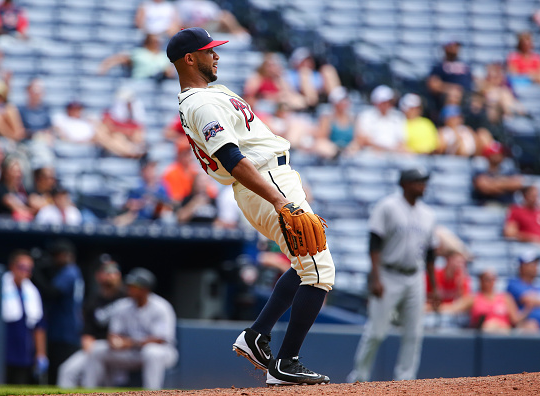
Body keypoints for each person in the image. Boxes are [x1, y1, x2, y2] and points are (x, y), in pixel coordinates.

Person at [167, 27, 334, 385]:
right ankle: (286, 363)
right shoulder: (200, 103)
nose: (217, 56)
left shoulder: (208, 94)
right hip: (263, 181)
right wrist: (280, 200)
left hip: (273, 177)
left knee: (307, 259)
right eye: (209, 51)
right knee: (319, 270)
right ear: (190, 59)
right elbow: (232, 159)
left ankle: (257, 336)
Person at [347, 167, 439, 382]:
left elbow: (431, 254)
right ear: (405, 184)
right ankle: (358, 378)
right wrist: (375, 277)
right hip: (388, 275)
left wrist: (433, 287)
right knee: (377, 332)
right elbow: (374, 243)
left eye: (424, 181)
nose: (423, 185)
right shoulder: (387, 207)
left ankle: (405, 380)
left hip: (415, 277)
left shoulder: (429, 214)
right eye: (418, 181)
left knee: (414, 334)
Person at [83, 268, 178, 389]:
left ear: (145, 289)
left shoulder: (161, 307)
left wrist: (131, 343)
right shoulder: (123, 305)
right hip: (130, 352)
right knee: (97, 349)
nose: (129, 288)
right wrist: (114, 342)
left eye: (134, 286)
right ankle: (90, 391)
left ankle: (152, 392)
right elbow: (113, 334)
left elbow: (160, 339)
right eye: (129, 285)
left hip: (163, 353)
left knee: (152, 352)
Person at [57, 258, 125, 388]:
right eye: (107, 271)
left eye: (114, 271)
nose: (111, 275)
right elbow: (87, 334)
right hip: (97, 347)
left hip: (122, 347)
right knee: (67, 371)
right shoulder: (92, 302)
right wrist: (90, 351)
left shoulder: (127, 298)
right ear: (98, 276)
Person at [32, 239, 84, 385]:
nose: (54, 259)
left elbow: (52, 292)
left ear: (67, 255)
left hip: (64, 333)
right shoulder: (72, 271)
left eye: (57, 255)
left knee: (60, 377)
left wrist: (35, 272)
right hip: (65, 330)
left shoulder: (70, 272)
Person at [0, 250, 48, 384]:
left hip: (24, 354)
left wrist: (41, 353)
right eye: (21, 267)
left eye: (28, 269)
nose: (25, 272)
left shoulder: (32, 291)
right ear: (12, 266)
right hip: (0, 352)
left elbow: (39, 326)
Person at [441, 269, 527, 333]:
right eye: (487, 279)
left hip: (504, 334)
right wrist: (432, 307)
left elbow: (515, 319)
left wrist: (529, 307)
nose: (490, 282)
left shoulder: (505, 298)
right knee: (490, 325)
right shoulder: (473, 298)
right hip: (484, 334)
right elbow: (454, 308)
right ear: (481, 281)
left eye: (493, 279)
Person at [507, 250, 540, 331]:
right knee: (530, 326)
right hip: (526, 326)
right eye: (532, 264)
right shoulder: (514, 284)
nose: (535, 267)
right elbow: (526, 299)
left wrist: (537, 301)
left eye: (536, 264)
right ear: (522, 266)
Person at [114, 156, 173, 225]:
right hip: (138, 218)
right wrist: (141, 203)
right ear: (143, 171)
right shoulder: (137, 186)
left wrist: (155, 205)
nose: (152, 171)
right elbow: (126, 204)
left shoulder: (161, 188)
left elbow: (168, 206)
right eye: (149, 168)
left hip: (156, 219)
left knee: (168, 219)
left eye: (153, 168)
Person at [242, 52, 307, 111]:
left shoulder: (278, 79)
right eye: (270, 65)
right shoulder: (257, 78)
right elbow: (249, 96)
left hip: (278, 107)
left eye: (274, 65)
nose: (272, 68)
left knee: (298, 100)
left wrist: (279, 78)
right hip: (262, 106)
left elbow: (288, 93)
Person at [426, 40, 472, 119]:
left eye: (456, 46)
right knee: (453, 95)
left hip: (465, 95)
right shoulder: (439, 66)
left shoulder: (465, 66)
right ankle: (449, 121)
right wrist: (451, 88)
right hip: (445, 96)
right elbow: (433, 84)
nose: (454, 49)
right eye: (451, 46)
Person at [354, 85, 407, 153]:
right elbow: (362, 138)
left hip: (394, 154)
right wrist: (381, 148)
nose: (387, 104)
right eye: (383, 102)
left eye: (389, 101)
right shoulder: (365, 116)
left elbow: (401, 141)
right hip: (370, 152)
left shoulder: (398, 116)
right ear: (376, 102)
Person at [99, 34, 176, 80]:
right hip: (140, 83)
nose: (157, 44)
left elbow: (170, 72)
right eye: (154, 41)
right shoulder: (138, 53)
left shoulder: (164, 56)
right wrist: (105, 67)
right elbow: (120, 59)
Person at [100, 87, 146, 158]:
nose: (130, 105)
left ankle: (133, 151)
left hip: (128, 139)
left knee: (138, 135)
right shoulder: (109, 114)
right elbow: (110, 129)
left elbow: (138, 130)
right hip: (115, 139)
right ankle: (129, 152)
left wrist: (124, 131)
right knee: (116, 137)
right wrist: (126, 131)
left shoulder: (133, 117)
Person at [315, 86, 357, 159]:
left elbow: (356, 138)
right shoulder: (327, 119)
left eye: (346, 100)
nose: (345, 103)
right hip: (332, 149)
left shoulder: (352, 119)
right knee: (321, 146)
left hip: (348, 149)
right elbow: (321, 137)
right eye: (342, 101)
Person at [175, 0, 249, 37]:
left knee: (225, 15)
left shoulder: (209, 4)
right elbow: (180, 22)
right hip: (191, 28)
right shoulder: (183, 3)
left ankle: (238, 33)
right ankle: (238, 33)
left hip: (209, 26)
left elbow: (219, 17)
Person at [0, 156, 33, 221]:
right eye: (14, 171)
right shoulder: (1, 189)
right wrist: (33, 210)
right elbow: (18, 209)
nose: (18, 175)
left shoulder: (23, 190)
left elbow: (33, 201)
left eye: (19, 171)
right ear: (6, 173)